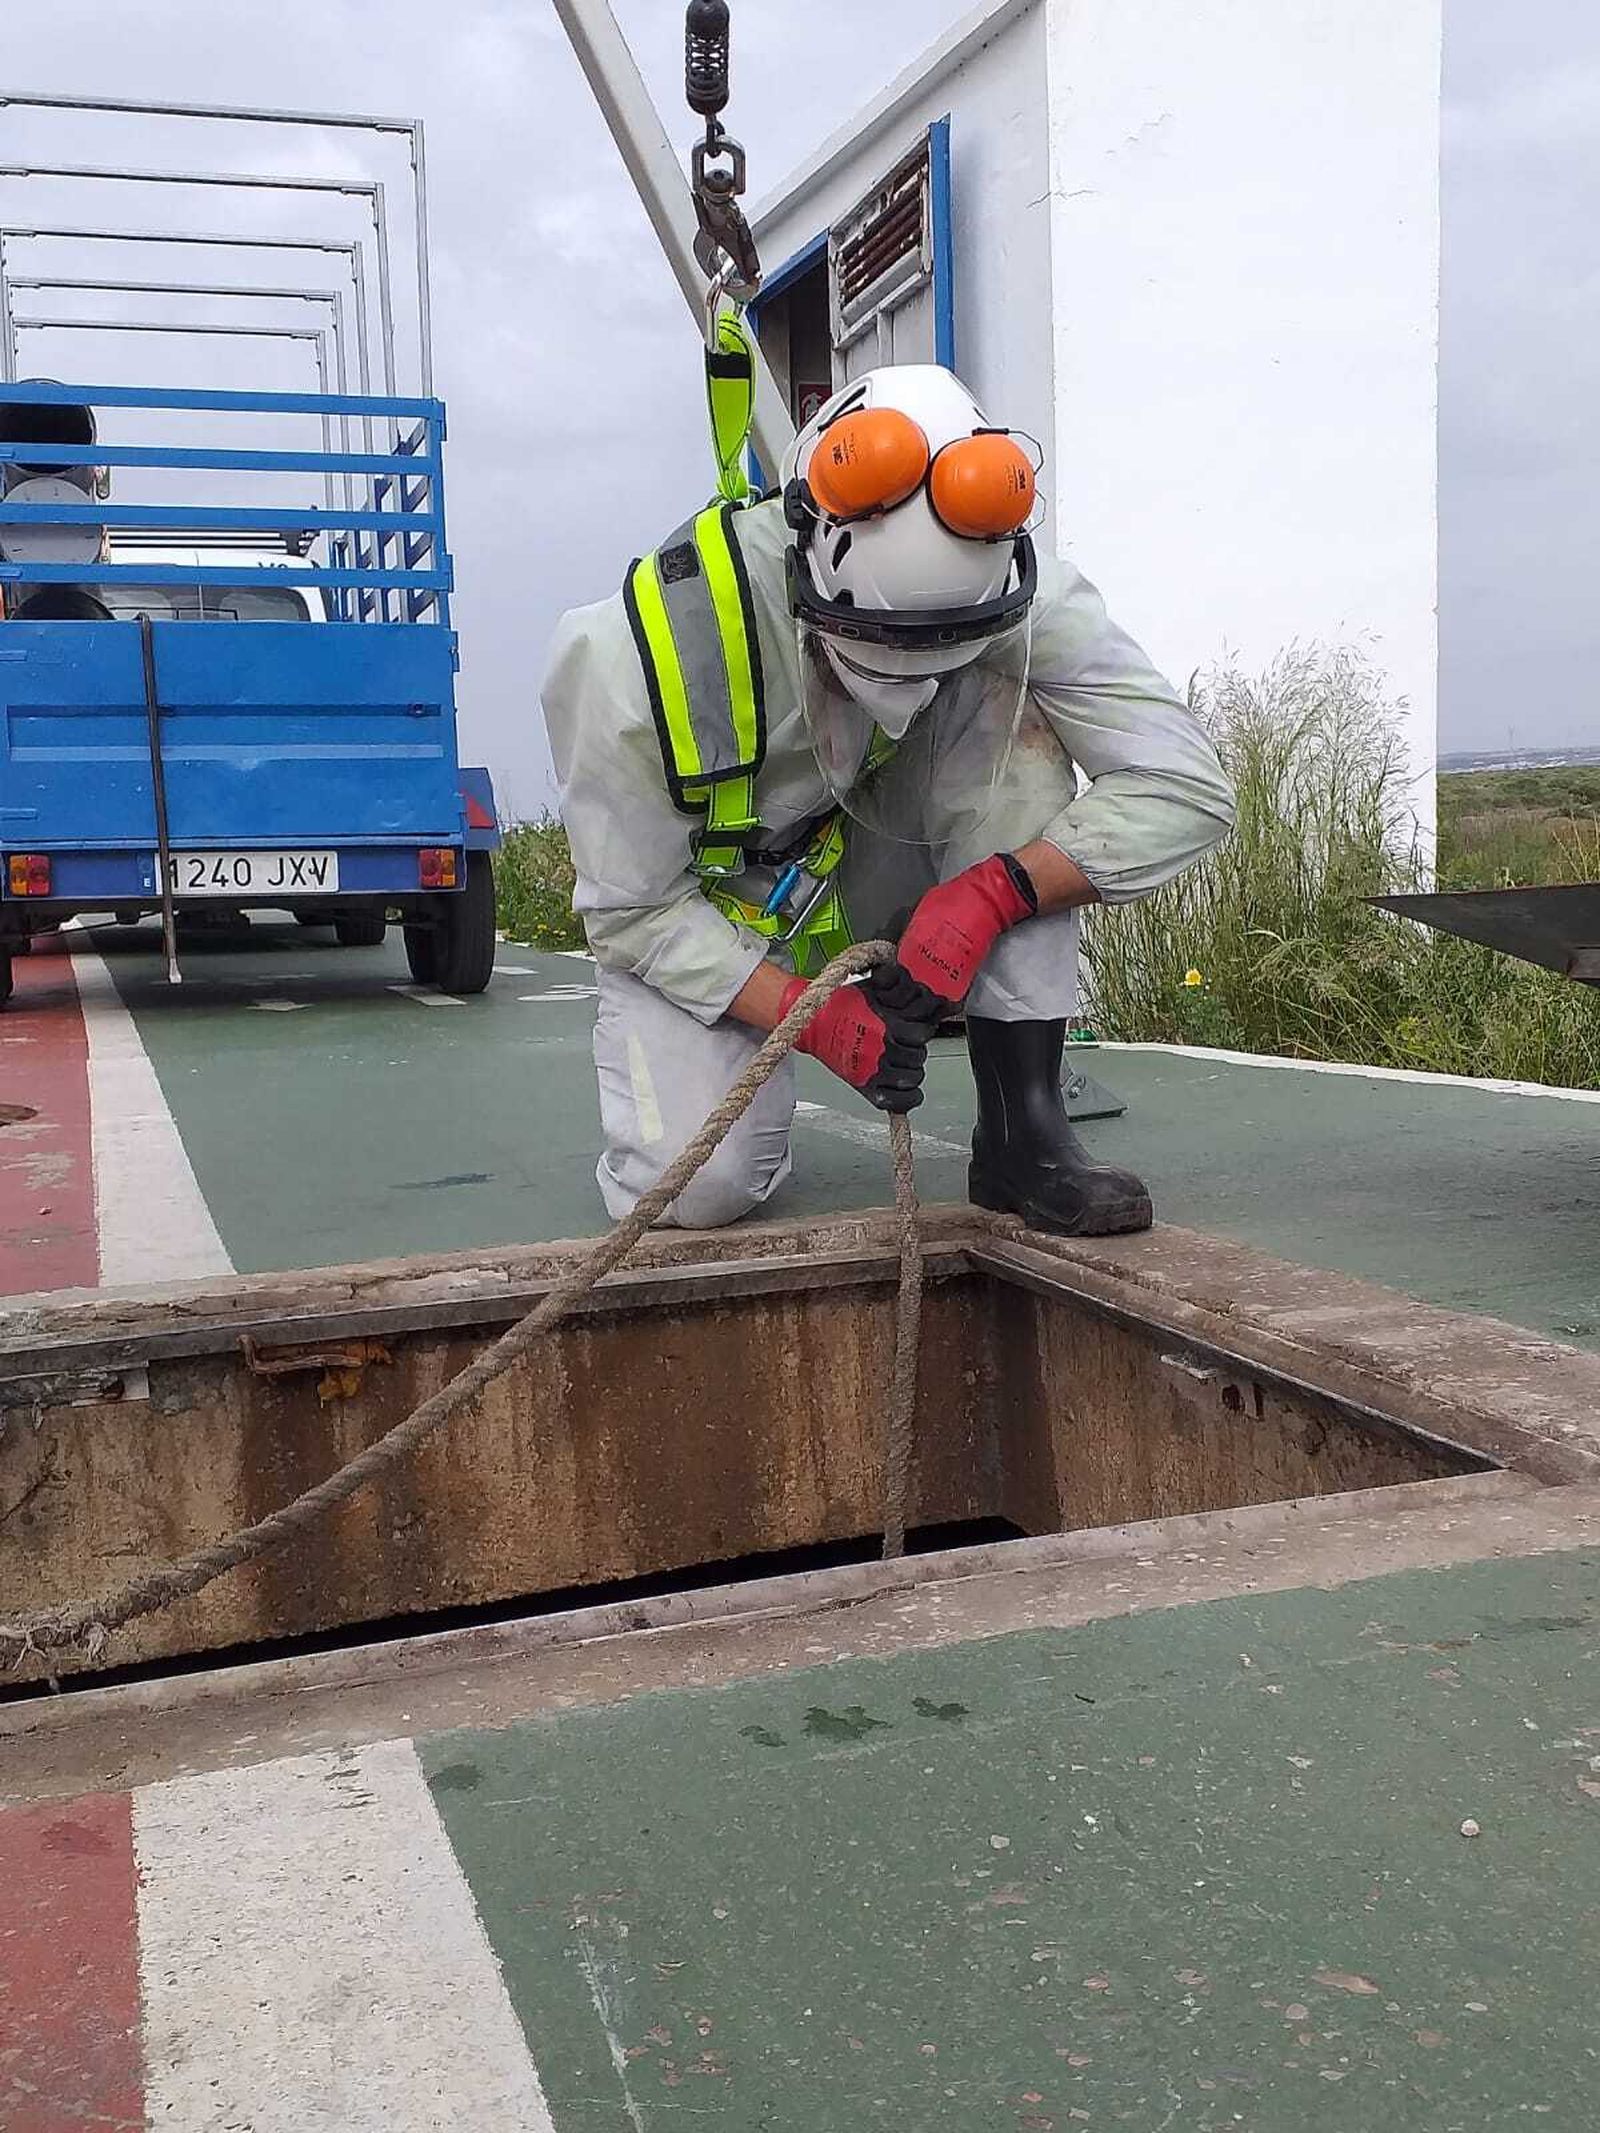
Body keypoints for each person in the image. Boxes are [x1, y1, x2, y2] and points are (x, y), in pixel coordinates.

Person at [542, 364, 1234, 1235]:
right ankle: (743, 1063)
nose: (904, 696)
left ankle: (1023, 1132)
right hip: (707, 914)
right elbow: (633, 912)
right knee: (696, 1192)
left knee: (1017, 721)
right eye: (869, 654)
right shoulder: (626, 658)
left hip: (866, 864)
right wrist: (810, 1014)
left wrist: (997, 891)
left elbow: (1187, 787)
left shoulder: (1007, 586)